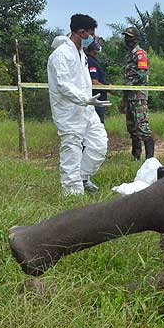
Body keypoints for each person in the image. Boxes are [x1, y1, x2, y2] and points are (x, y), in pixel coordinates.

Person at [47, 14, 110, 196]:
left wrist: (88, 102)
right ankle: (72, 194)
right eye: (90, 34)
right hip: (68, 111)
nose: (92, 38)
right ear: (80, 32)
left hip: (86, 109)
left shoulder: (80, 53)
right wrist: (84, 99)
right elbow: (63, 84)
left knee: (99, 144)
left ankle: (82, 177)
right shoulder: (60, 55)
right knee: (72, 151)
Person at [120, 26, 154, 161]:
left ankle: (150, 159)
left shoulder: (140, 54)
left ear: (135, 39)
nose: (127, 40)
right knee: (132, 128)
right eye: (126, 37)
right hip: (129, 96)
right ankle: (136, 157)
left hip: (138, 96)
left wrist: (130, 85)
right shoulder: (129, 55)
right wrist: (124, 96)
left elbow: (142, 73)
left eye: (129, 37)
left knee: (142, 126)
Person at [84, 38, 108, 124]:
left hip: (96, 100)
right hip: (96, 101)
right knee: (98, 126)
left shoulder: (92, 61)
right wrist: (108, 88)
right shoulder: (91, 62)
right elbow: (94, 82)